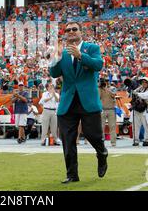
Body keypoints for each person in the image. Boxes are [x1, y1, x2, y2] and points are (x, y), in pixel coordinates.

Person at [49, 21, 108, 184]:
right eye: (68, 30)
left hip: (87, 100)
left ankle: (102, 153)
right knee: (68, 139)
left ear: (81, 32)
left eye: (74, 29)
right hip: (68, 101)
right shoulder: (63, 52)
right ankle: (72, 174)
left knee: (93, 135)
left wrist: (80, 55)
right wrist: (57, 57)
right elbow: (54, 73)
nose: (71, 32)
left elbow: (98, 65)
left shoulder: (92, 48)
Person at [131, 77, 148, 146]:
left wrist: (136, 93)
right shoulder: (139, 89)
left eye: (145, 82)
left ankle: (147, 140)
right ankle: (136, 141)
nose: (143, 83)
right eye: (142, 82)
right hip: (137, 110)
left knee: (147, 126)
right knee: (135, 127)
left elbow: (144, 96)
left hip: (145, 110)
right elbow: (132, 94)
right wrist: (135, 90)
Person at [99, 79, 117, 147]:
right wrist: (100, 88)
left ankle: (113, 142)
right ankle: (101, 142)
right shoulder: (100, 88)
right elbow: (98, 97)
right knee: (101, 127)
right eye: (104, 81)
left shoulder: (113, 88)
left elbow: (113, 95)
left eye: (106, 81)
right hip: (103, 109)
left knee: (112, 126)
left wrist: (106, 88)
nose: (105, 82)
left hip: (111, 109)